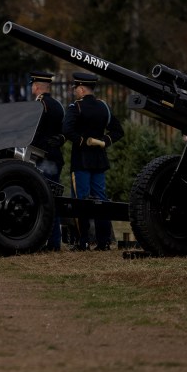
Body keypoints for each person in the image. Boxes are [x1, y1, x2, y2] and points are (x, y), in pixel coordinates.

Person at [61, 72, 124, 251]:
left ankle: (83, 242)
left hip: (81, 160)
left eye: (75, 88)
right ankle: (104, 242)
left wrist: (82, 141)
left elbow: (66, 129)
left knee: (81, 200)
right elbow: (118, 131)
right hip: (99, 160)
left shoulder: (76, 107)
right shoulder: (103, 107)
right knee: (101, 200)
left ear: (81, 88)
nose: (74, 92)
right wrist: (104, 141)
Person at [29, 71, 66, 251]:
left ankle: (50, 242)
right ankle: (54, 242)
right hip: (55, 156)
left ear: (36, 86)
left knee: (44, 199)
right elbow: (64, 132)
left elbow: (32, 133)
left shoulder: (39, 105)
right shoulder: (58, 105)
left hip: (41, 156)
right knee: (52, 198)